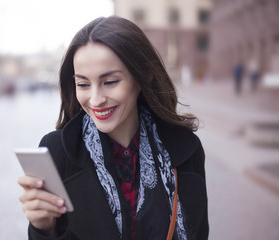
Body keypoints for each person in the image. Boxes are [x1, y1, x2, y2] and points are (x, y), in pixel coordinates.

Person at [18, 16, 209, 240]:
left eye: (110, 82)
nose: (96, 99)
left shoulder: (186, 148)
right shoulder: (57, 152)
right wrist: (43, 228)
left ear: (142, 76)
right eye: (83, 84)